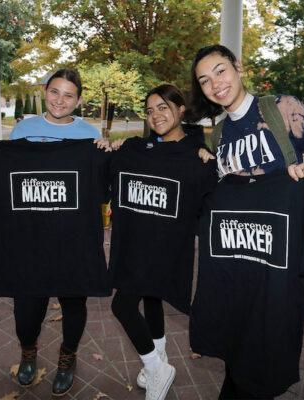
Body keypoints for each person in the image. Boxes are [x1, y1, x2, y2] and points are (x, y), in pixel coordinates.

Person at [184, 44, 304, 400]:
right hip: (239, 258)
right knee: (238, 342)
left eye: (221, 71)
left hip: (280, 260)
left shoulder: (282, 108)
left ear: (239, 67)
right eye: (205, 80)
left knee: (266, 349)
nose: (215, 84)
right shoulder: (221, 131)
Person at [0, 68, 110, 397]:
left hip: (72, 240)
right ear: (45, 92)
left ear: (79, 100)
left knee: (74, 303)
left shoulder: (89, 134)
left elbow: (103, 190)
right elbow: (9, 179)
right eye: (55, 92)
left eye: (68, 95)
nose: (60, 100)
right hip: (29, 239)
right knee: (26, 308)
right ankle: (28, 351)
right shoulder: (24, 129)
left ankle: (68, 357)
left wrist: (105, 154)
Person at [109, 84, 215, 400]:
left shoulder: (198, 155)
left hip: (165, 248)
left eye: (164, 107)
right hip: (137, 243)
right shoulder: (138, 150)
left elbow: (213, 200)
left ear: (181, 109)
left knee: (121, 305)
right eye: (151, 109)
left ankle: (157, 369)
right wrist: (109, 148)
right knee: (152, 297)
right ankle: (159, 353)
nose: (156, 115)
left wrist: (212, 162)